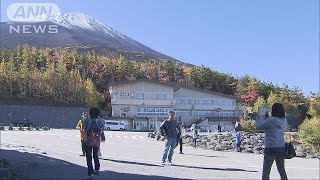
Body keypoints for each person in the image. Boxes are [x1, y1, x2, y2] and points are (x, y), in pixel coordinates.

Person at [255, 103, 288, 180]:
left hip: (270, 147)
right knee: (281, 170)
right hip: (281, 146)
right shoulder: (284, 120)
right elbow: (274, 123)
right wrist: (268, 118)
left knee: (266, 171)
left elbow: (258, 127)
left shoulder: (270, 120)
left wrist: (259, 117)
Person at [84, 107, 105, 177]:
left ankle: (90, 172)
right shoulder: (101, 121)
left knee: (89, 156)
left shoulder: (87, 120)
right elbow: (102, 128)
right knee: (95, 155)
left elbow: (86, 129)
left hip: (88, 140)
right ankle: (97, 169)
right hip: (96, 140)